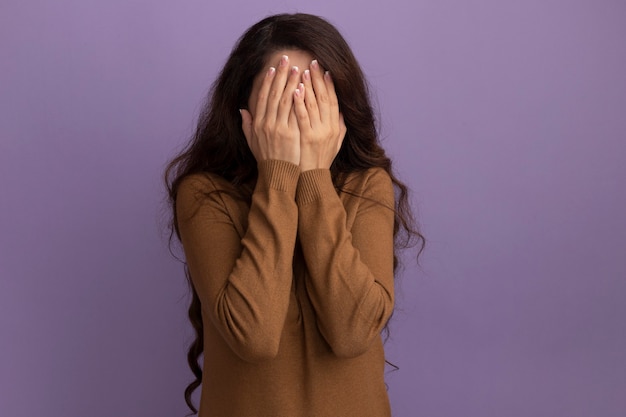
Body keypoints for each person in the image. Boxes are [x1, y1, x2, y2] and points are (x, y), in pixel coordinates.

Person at [165, 13, 424, 417]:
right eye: (280, 89)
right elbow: (253, 336)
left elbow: (352, 333)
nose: (298, 108)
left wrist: (315, 178)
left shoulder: (367, 185)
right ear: (244, 103)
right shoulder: (205, 194)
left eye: (312, 92)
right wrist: (278, 174)